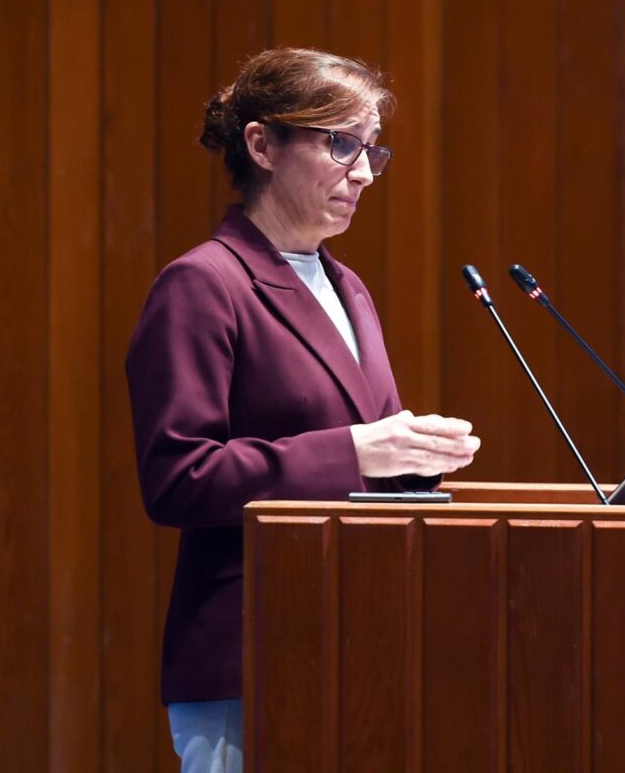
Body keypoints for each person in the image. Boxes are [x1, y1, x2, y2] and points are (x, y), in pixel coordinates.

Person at [125, 47, 481, 773]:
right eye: (339, 144)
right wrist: (358, 450)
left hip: (356, 645)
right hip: (249, 656)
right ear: (262, 145)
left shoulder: (348, 288)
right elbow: (178, 478)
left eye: (370, 150)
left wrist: (417, 457)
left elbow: (363, 455)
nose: (362, 172)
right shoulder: (203, 283)